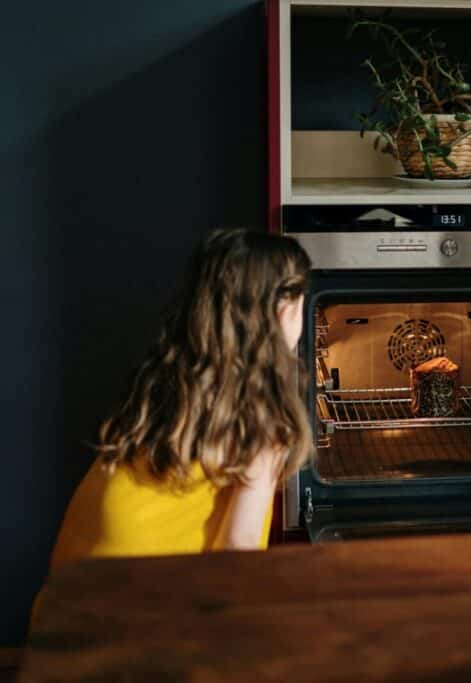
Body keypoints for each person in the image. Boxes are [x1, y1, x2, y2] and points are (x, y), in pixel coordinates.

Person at [50, 229, 313, 569]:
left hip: (75, 586)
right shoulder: (263, 415)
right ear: (284, 312)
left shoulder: (166, 375)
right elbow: (238, 547)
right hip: (146, 601)